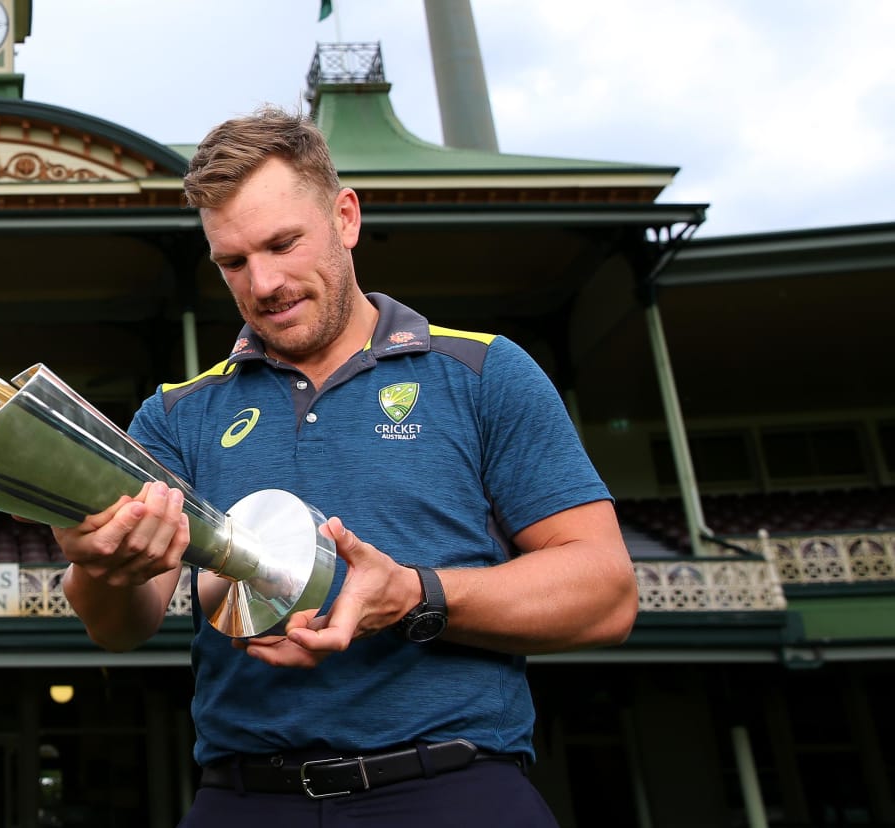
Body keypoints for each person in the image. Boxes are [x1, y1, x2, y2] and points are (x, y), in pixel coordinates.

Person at [54, 107, 638, 826]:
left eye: (283, 243)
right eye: (233, 262)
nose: (263, 283)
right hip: (243, 797)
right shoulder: (177, 413)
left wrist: (414, 595)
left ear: (346, 218)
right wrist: (100, 569)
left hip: (452, 786)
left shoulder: (485, 371)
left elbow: (607, 593)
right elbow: (122, 627)